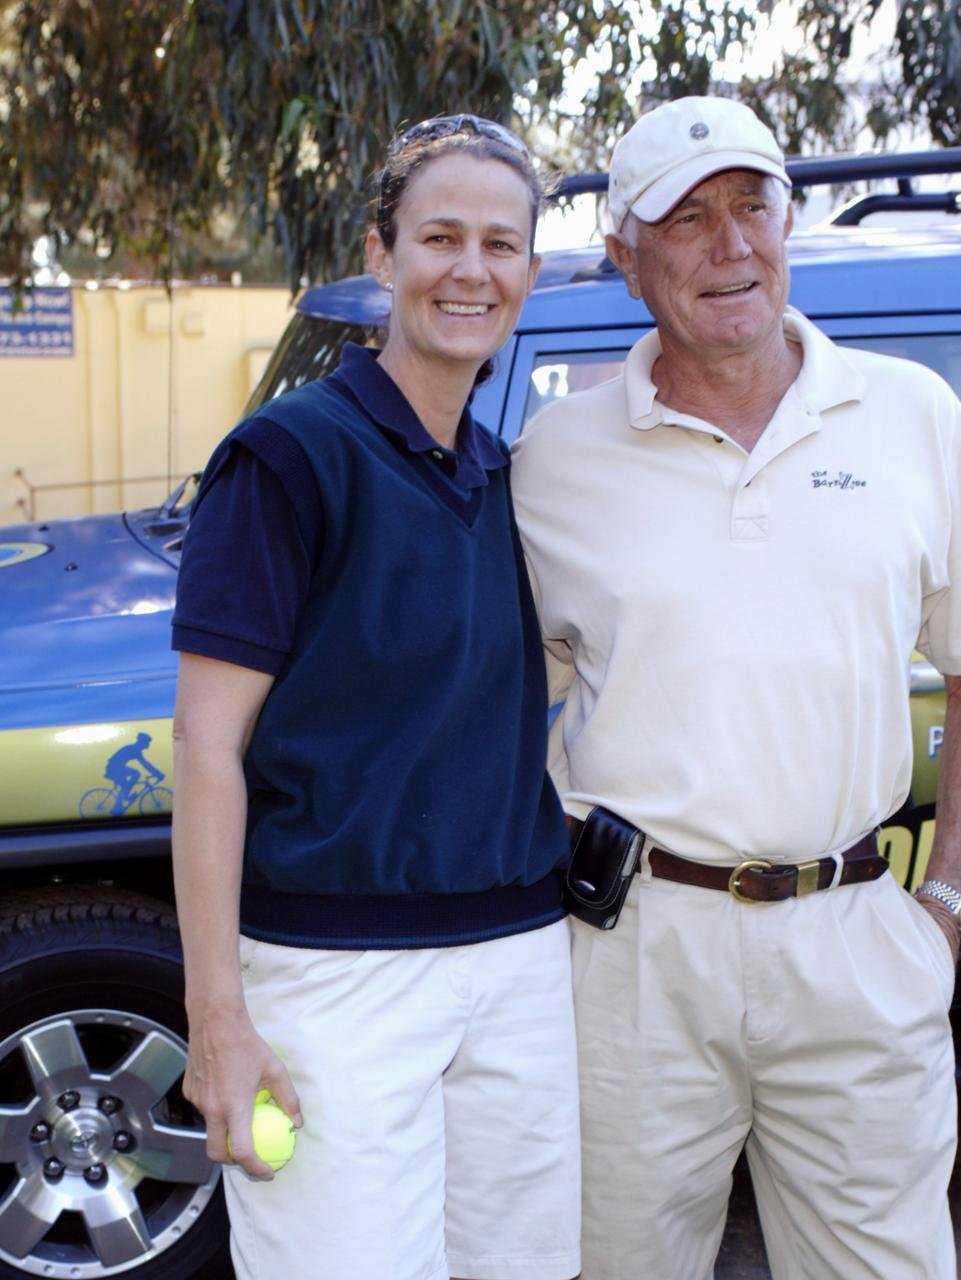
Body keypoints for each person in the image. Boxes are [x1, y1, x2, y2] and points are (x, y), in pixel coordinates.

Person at [511, 95, 961, 1280]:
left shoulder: (911, 415)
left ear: (787, 223)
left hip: (855, 936)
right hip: (633, 955)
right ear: (624, 256)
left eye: (751, 205)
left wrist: (943, 907)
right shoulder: (553, 460)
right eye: (686, 219)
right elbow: (499, 700)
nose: (729, 244)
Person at [170, 114, 580, 1280]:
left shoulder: (501, 473)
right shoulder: (288, 457)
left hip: (516, 957)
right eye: (439, 236)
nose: (470, 270)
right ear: (380, 253)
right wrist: (217, 1015)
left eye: (499, 244)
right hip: (333, 972)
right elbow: (205, 750)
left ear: (529, 271)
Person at [103, 731, 163, 813]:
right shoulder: (134, 749)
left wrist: (157, 773)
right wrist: (157, 774)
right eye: (147, 742)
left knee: (132, 778)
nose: (148, 744)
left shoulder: (135, 749)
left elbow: (146, 764)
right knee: (133, 777)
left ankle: (125, 797)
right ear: (142, 742)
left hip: (116, 768)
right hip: (113, 769)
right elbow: (145, 764)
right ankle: (117, 807)